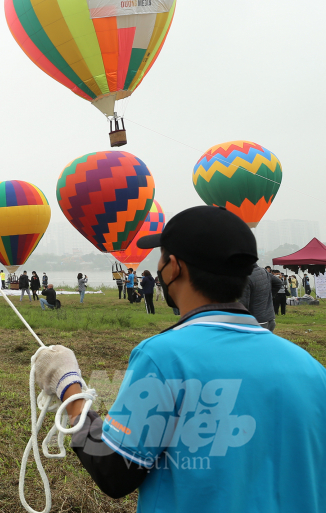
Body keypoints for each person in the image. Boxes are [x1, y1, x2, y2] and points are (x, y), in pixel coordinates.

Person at [33, 206, 326, 512]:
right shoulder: (312, 369)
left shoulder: (163, 357)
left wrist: (69, 388)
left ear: (173, 268)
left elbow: (114, 471)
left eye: (160, 257)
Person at [239, 264, 277, 331]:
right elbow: (278, 283)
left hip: (257, 321)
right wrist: (268, 296)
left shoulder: (246, 277)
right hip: (270, 318)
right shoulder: (264, 271)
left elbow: (244, 304)